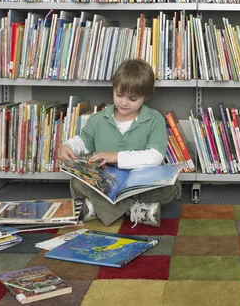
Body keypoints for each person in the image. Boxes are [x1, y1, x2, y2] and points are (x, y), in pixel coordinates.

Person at [59, 58, 181, 227]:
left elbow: (156, 156)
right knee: (77, 182)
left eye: (132, 99)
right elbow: (84, 140)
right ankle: (134, 210)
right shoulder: (98, 119)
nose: (124, 102)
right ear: (113, 89)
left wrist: (117, 157)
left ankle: (97, 209)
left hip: (139, 183)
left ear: (145, 97)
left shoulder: (155, 120)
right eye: (119, 95)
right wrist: (68, 146)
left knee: (171, 188)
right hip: (107, 181)